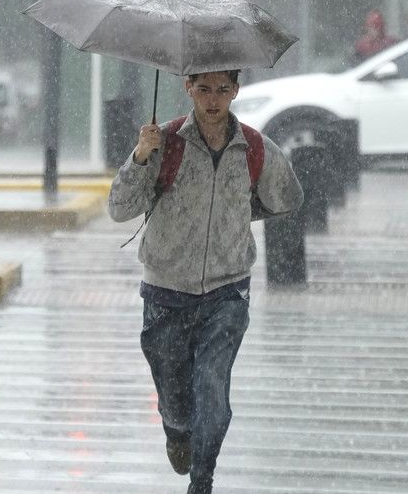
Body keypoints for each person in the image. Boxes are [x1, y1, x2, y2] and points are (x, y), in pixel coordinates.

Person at [108, 69, 303, 494]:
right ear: (187, 88)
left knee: (213, 392)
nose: (213, 100)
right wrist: (141, 156)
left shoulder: (253, 147)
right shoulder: (166, 141)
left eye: (222, 89)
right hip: (166, 292)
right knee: (176, 398)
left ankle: (203, 481)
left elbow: (288, 197)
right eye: (203, 89)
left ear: (235, 90)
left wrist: (238, 218)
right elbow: (120, 208)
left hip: (227, 292)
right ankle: (177, 432)